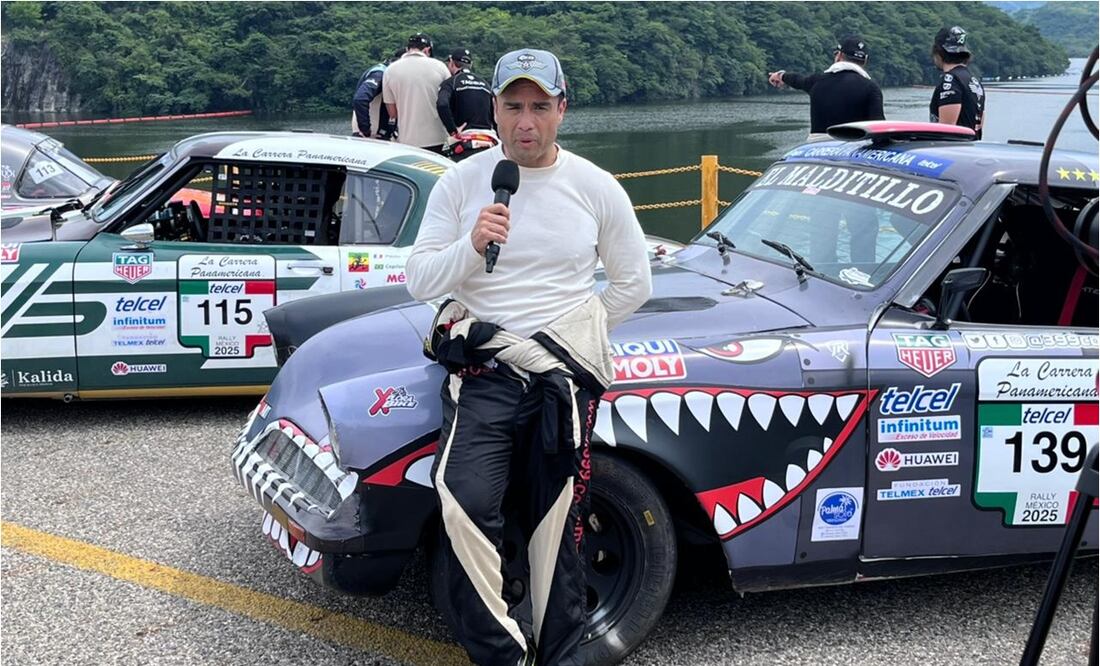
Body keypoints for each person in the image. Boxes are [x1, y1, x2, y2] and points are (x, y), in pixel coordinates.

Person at [405, 48, 652, 666]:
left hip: (559, 381)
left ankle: (561, 652)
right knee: (462, 500)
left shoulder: (596, 187)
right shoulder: (463, 182)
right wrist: (471, 246)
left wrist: (569, 341)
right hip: (483, 372)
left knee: (557, 521)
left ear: (561, 110)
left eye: (540, 107)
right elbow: (418, 279)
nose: (525, 122)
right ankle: (502, 653)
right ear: (493, 108)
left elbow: (631, 284)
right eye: (513, 106)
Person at [767, 35, 885, 139]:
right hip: (853, 152)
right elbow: (879, 131)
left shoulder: (816, 81)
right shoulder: (871, 88)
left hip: (816, 150)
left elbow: (797, 80)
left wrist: (780, 75)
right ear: (865, 60)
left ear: (839, 55)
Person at [382, 32, 452, 153]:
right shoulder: (440, 67)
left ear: (407, 49)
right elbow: (450, 103)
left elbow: (393, 113)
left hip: (407, 140)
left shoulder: (390, 70)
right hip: (438, 138)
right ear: (427, 50)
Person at [436, 47, 497, 161]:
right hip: (490, 140)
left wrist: (452, 130)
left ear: (451, 63)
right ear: (471, 64)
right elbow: (496, 111)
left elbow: (442, 104)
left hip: (465, 141)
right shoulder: (485, 84)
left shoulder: (451, 82)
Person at [930, 26, 986, 139]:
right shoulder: (974, 81)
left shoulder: (950, 82)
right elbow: (979, 124)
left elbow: (945, 131)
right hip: (971, 150)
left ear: (938, 52)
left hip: (954, 152)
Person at [351, 48, 404, 140]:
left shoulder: (387, 72)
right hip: (372, 136)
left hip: (380, 134)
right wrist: (366, 130)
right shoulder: (379, 73)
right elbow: (360, 99)